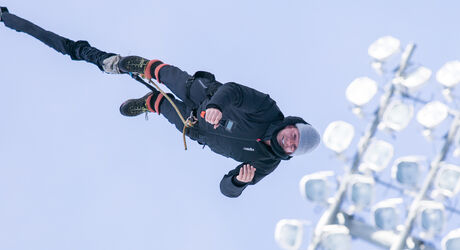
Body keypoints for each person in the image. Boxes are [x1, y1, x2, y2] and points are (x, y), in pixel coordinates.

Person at [0, 7, 320, 198]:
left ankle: (150, 103)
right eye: (295, 133)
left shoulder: (265, 164)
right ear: (292, 124)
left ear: (291, 151)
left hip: (195, 128)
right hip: (205, 95)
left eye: (295, 145)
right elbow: (235, 91)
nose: (291, 140)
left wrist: (239, 180)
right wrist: (218, 106)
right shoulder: (268, 110)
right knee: (169, 74)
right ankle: (141, 65)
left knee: (164, 105)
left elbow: (228, 190)